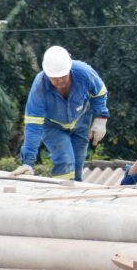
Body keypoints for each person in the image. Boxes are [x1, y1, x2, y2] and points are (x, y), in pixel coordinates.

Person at [9, 46, 109, 181]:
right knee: (64, 159)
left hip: (81, 121)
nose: (60, 81)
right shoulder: (39, 87)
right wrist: (28, 162)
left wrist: (101, 119)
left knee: (78, 164)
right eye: (55, 78)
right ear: (46, 73)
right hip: (52, 126)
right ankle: (62, 191)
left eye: (63, 76)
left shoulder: (84, 73)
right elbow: (33, 126)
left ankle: (75, 196)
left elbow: (100, 93)